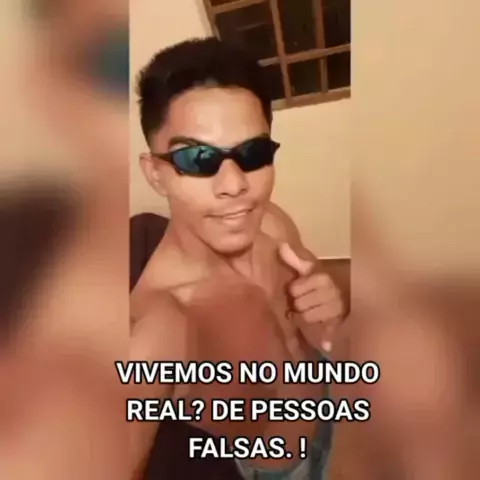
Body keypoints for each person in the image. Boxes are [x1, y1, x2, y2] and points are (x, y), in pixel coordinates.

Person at [130, 37, 345, 480]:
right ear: (155, 173)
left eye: (252, 153)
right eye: (197, 158)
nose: (235, 185)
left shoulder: (271, 224)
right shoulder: (162, 324)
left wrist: (327, 305)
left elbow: (317, 311)